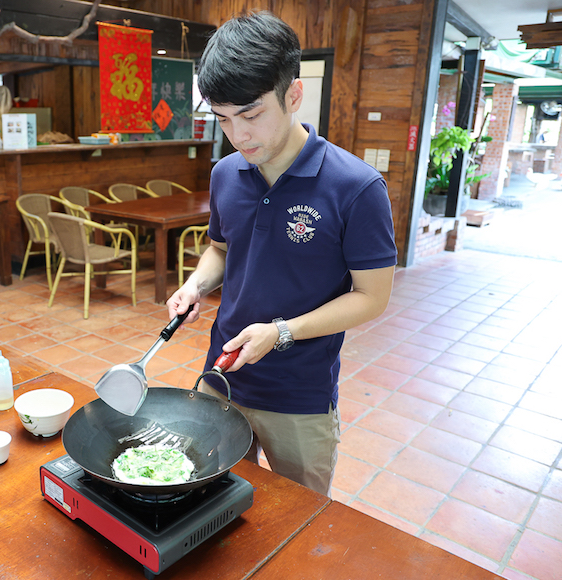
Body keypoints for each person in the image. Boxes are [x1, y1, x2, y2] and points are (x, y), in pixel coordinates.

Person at [166, 12, 398, 496]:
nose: (239, 135)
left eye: (251, 114)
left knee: (300, 522)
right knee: (209, 501)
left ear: (293, 95)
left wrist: (281, 333)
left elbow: (372, 297)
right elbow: (220, 248)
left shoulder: (356, 187)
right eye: (223, 119)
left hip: (299, 393)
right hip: (221, 375)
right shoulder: (226, 173)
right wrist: (196, 285)